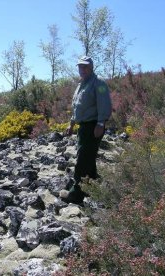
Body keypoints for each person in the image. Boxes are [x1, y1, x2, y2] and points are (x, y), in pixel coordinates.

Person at [61, 56, 112, 204]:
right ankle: (94, 186)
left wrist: (101, 124)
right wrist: (71, 124)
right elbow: (77, 106)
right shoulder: (81, 85)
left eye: (85, 67)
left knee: (83, 160)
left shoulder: (99, 83)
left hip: (93, 126)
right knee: (88, 157)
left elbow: (105, 104)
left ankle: (76, 194)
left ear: (91, 67)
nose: (82, 69)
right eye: (80, 67)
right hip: (83, 127)